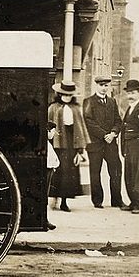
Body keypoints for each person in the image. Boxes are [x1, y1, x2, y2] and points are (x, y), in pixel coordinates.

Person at [83, 75, 126, 208]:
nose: (103, 88)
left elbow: (118, 120)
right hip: (95, 144)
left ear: (109, 86)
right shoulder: (88, 101)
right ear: (96, 86)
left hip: (111, 143)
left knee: (116, 170)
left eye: (106, 85)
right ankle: (97, 201)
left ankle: (117, 200)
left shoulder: (112, 102)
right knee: (95, 172)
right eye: (101, 85)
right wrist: (104, 135)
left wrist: (113, 133)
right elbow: (89, 122)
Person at [47, 80, 90, 212]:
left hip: (71, 143)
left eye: (69, 95)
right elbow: (48, 125)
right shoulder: (53, 107)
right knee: (57, 172)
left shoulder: (76, 109)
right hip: (57, 144)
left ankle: (64, 201)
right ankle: (54, 198)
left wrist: (80, 150)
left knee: (69, 174)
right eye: (64, 94)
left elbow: (80, 129)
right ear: (59, 94)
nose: (67, 97)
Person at [120, 79, 139, 214]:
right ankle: (133, 201)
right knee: (128, 174)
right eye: (128, 93)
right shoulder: (130, 107)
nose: (130, 96)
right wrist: (123, 148)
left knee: (137, 176)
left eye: (133, 93)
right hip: (129, 147)